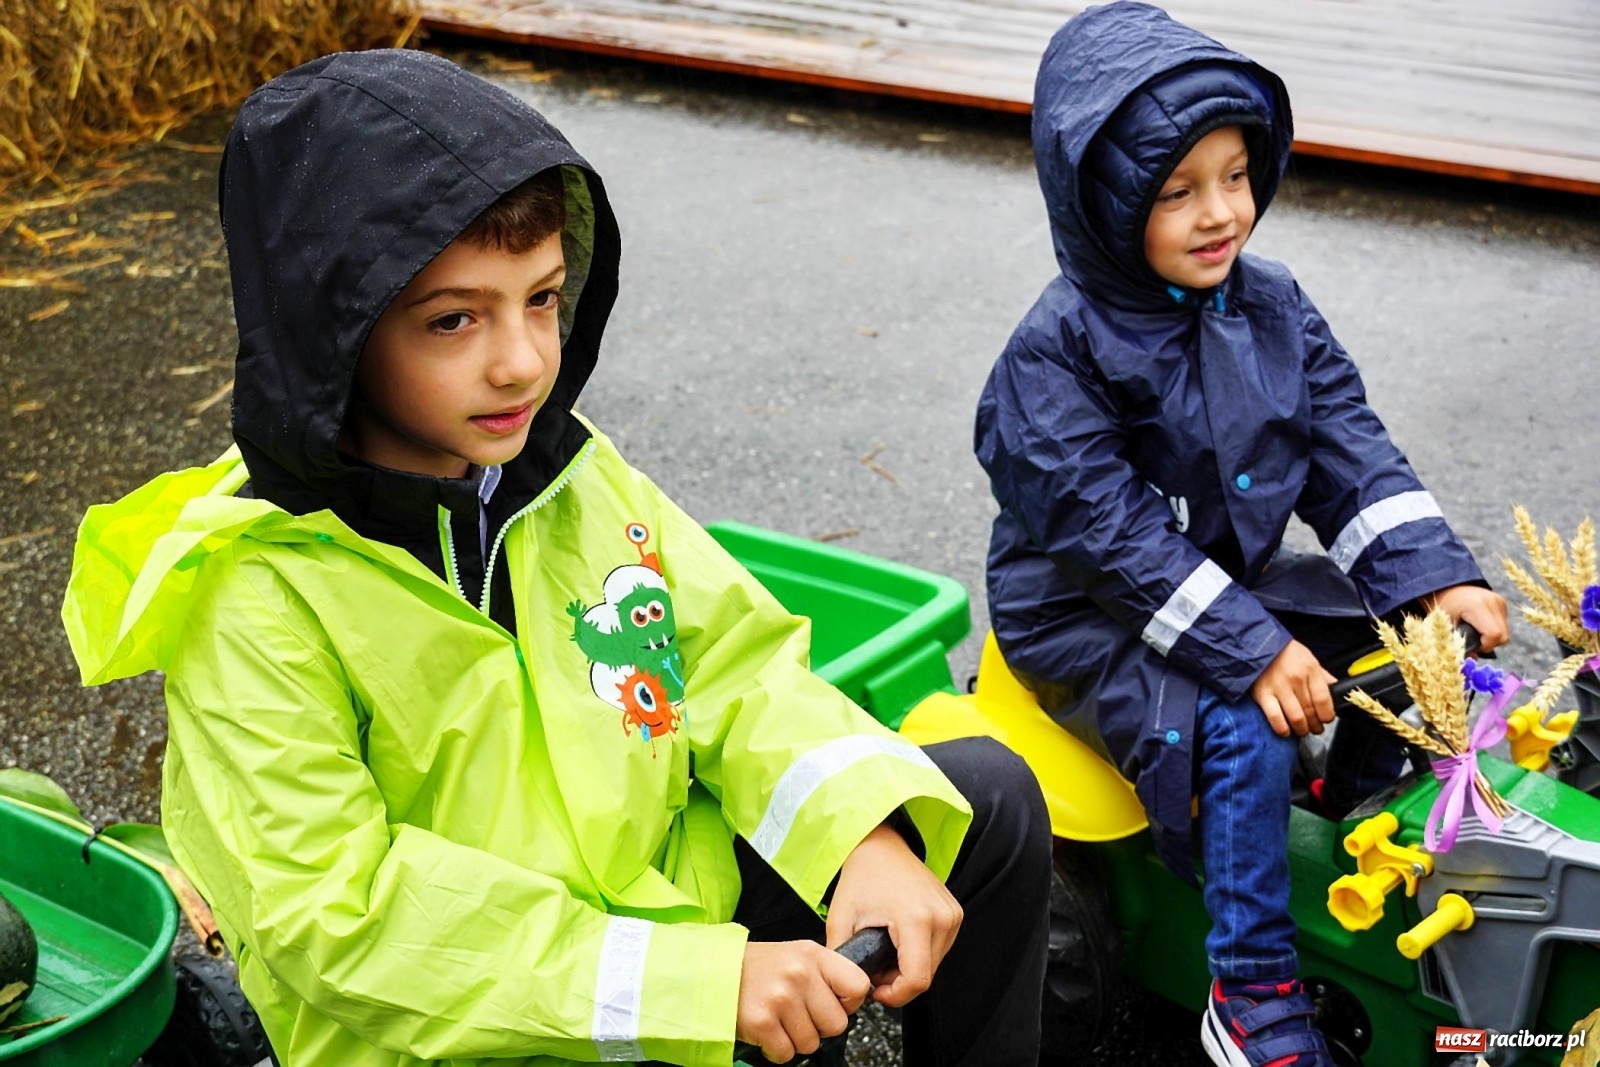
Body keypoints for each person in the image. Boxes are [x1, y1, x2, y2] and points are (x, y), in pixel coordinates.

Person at [62, 49, 1048, 1067]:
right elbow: (348, 922)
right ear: (334, 335)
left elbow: (731, 668)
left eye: (540, 298)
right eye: (455, 318)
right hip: (476, 1025)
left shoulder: (568, 476)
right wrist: (699, 982)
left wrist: (864, 832)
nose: (524, 359)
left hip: (660, 914)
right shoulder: (254, 598)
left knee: (985, 800)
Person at [974, 5, 1509, 1066]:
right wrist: (1253, 649)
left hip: (1213, 584)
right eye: (1176, 191)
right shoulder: (1054, 357)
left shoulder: (1272, 307)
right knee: (1236, 723)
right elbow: (1110, 537)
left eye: (1235, 175)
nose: (1220, 212)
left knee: (1396, 652)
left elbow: (1346, 449)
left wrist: (1430, 579)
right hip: (1085, 615)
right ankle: (1253, 991)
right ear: (1104, 201)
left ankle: (1359, 818)